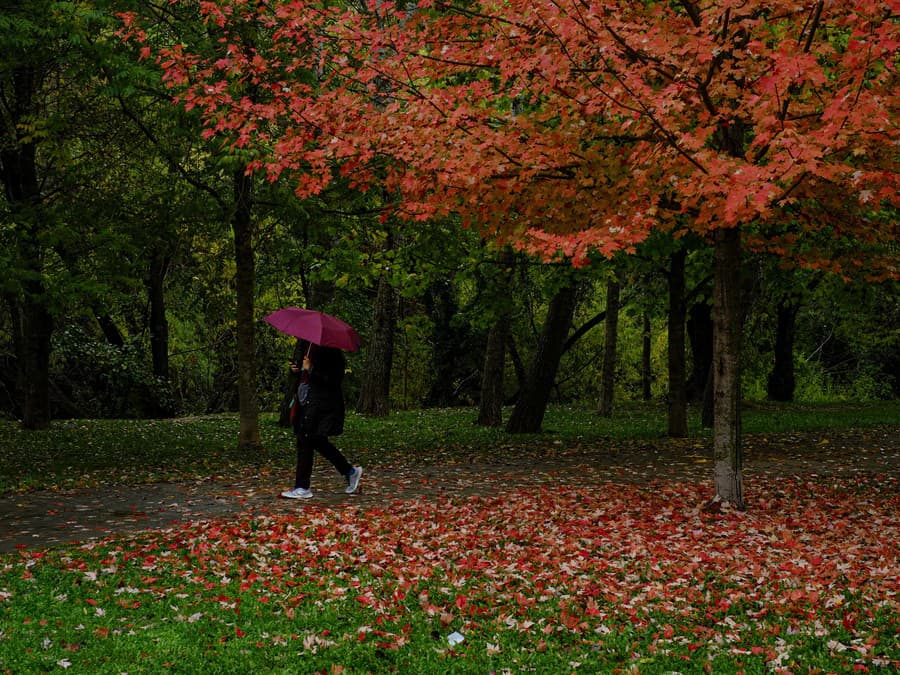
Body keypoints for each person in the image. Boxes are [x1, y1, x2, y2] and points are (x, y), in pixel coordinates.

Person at [281, 342, 363, 499]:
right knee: (314, 441)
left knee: (308, 440)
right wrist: (298, 369)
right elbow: (306, 376)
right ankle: (350, 471)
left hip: (322, 407)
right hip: (307, 403)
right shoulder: (310, 348)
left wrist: (310, 369)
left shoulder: (332, 354)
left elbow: (331, 380)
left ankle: (303, 487)